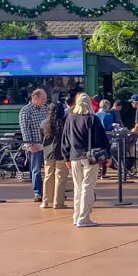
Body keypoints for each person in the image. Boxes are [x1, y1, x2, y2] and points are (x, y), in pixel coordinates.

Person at [61, 93, 110, 228]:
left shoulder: (70, 118)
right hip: (90, 158)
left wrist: (66, 157)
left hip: (74, 156)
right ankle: (84, 218)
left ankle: (76, 216)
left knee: (78, 187)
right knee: (87, 187)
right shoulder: (92, 119)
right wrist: (108, 156)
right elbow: (102, 140)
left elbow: (65, 139)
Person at [19, 89, 49, 202]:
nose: (45, 101)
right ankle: (38, 193)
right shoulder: (26, 110)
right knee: (36, 169)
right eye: (43, 99)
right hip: (34, 144)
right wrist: (30, 144)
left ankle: (50, 191)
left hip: (46, 144)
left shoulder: (45, 109)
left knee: (50, 169)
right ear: (35, 98)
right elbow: (25, 129)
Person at [40, 101, 68, 210]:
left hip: (48, 153)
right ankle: (58, 202)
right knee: (60, 178)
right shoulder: (65, 122)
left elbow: (41, 139)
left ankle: (45, 201)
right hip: (61, 152)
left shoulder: (44, 124)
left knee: (48, 177)